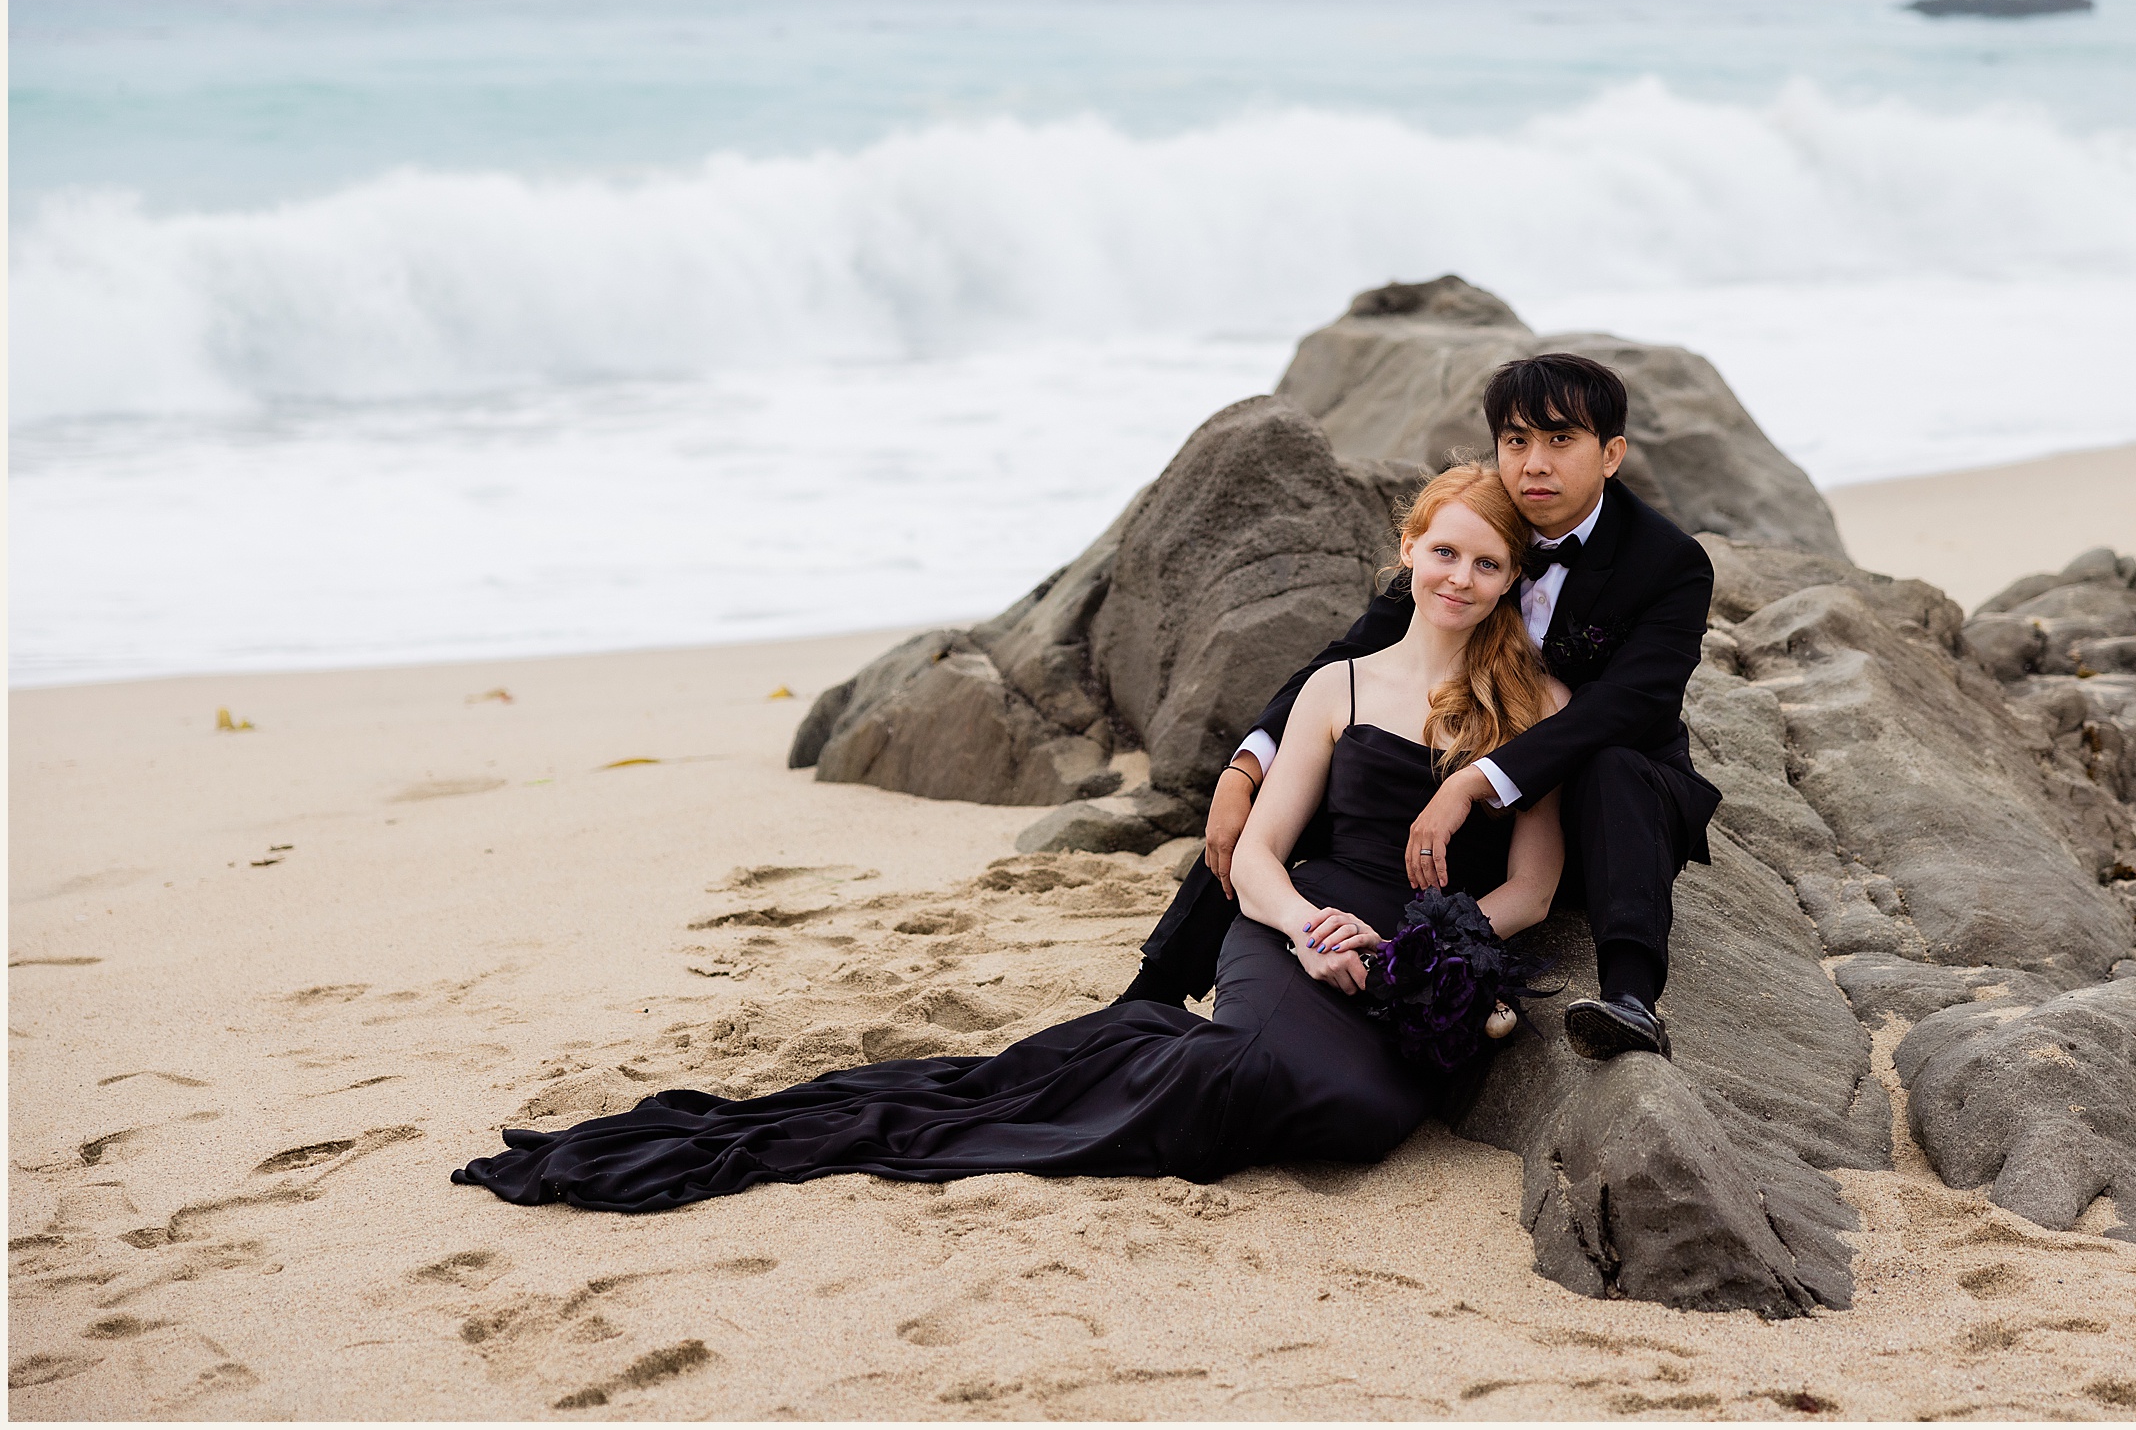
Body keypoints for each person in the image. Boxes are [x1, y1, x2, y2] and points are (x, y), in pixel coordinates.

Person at [450, 466, 1565, 1212]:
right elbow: (1259, 854)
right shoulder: (1339, 683)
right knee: (1265, 1070)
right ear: (1408, 549)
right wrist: (1307, 929)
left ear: (1514, 581)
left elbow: (1533, 882)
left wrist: (1431, 942)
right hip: (1297, 929)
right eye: (1445, 553)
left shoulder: (1540, 706)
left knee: (1360, 1118)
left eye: (1487, 564)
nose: (1460, 579)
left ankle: (1130, 1047)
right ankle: (1093, 1066)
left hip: (1419, 962)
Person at [1118, 353, 1720, 1061]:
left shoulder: (1669, 563)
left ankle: (1629, 997)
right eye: (1517, 440)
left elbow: (1627, 706)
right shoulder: (1478, 528)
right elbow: (1349, 656)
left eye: (1562, 440)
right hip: (1470, 809)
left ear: (1611, 453)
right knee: (1339, 761)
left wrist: (1478, 779)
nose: (1534, 463)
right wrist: (1245, 766)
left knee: (1615, 763)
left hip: (1598, 800)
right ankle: (1155, 987)